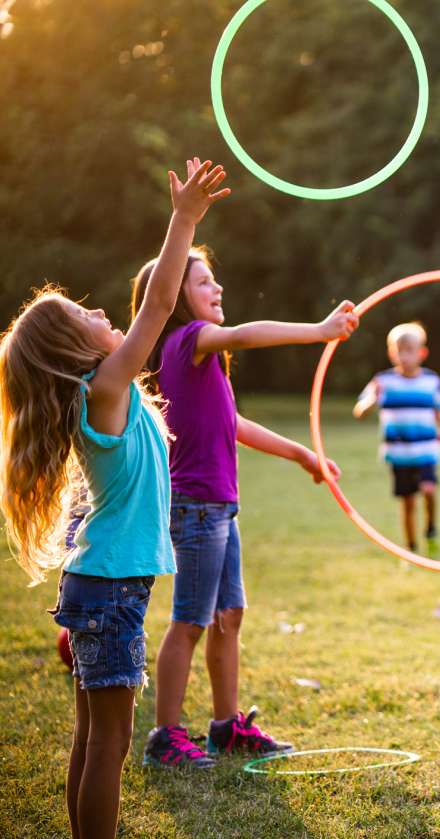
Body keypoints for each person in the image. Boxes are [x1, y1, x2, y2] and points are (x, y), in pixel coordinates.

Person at [0, 159, 228, 837]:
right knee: (110, 743)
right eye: (86, 313)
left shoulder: (104, 396)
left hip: (99, 584)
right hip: (110, 589)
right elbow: (159, 303)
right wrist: (184, 218)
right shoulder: (103, 388)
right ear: (78, 346)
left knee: (91, 737)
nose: (104, 311)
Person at [133, 159, 359, 769]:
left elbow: (235, 428)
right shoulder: (187, 344)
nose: (218, 291)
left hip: (221, 508)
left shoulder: (201, 366)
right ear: (178, 295)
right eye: (205, 283)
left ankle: (226, 726)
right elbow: (245, 335)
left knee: (230, 616)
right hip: (198, 508)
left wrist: (303, 455)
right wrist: (319, 331)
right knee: (191, 621)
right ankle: (165, 737)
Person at [354, 321, 440, 549]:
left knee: (429, 490)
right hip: (399, 453)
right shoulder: (383, 381)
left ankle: (430, 528)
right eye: (398, 351)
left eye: (409, 350)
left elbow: (438, 412)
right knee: (408, 502)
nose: (403, 356)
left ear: (422, 353)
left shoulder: (431, 380)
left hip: (426, 450)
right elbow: (360, 412)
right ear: (391, 353)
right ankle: (411, 548)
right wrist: (372, 400)